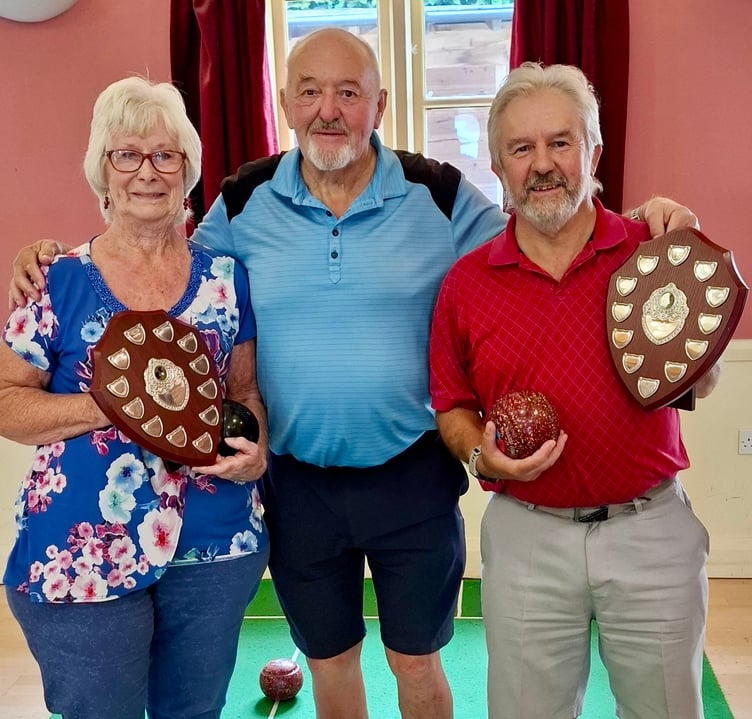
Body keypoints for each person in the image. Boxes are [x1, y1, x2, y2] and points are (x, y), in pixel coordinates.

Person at [8, 30, 699, 719]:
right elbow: (157, 254)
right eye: (310, 91)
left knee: (418, 663)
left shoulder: (440, 192)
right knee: (330, 664)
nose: (328, 109)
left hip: (412, 475)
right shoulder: (243, 200)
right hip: (298, 481)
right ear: (285, 103)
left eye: (348, 92)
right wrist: (54, 253)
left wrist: (641, 223)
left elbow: (547, 223)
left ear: (380, 105)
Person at [429, 61, 719, 719]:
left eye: (561, 142)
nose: (543, 163)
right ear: (498, 169)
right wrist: (482, 455)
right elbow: (452, 405)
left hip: (650, 530)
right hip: (527, 535)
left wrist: (683, 247)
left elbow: (697, 367)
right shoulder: (466, 284)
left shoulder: (654, 250)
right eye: (520, 148)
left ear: (593, 152)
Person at [0, 77, 269, 719]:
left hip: (214, 541)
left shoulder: (227, 281)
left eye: (165, 154)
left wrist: (255, 455)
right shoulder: (54, 279)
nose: (147, 171)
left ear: (187, 170)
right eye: (127, 154)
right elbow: (7, 401)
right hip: (83, 544)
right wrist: (114, 405)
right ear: (103, 170)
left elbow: (246, 393)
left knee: (194, 710)